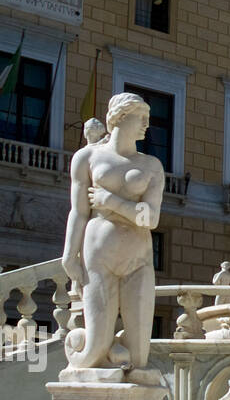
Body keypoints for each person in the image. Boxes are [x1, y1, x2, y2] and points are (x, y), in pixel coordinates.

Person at [61, 93, 164, 371]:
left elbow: (150, 218)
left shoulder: (151, 165)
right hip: (98, 254)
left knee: (140, 353)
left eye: (147, 118)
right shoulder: (87, 157)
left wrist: (111, 202)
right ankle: (106, 357)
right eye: (140, 117)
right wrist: (69, 254)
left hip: (139, 258)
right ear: (119, 117)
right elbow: (79, 211)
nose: (146, 124)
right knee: (94, 346)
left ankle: (126, 366)